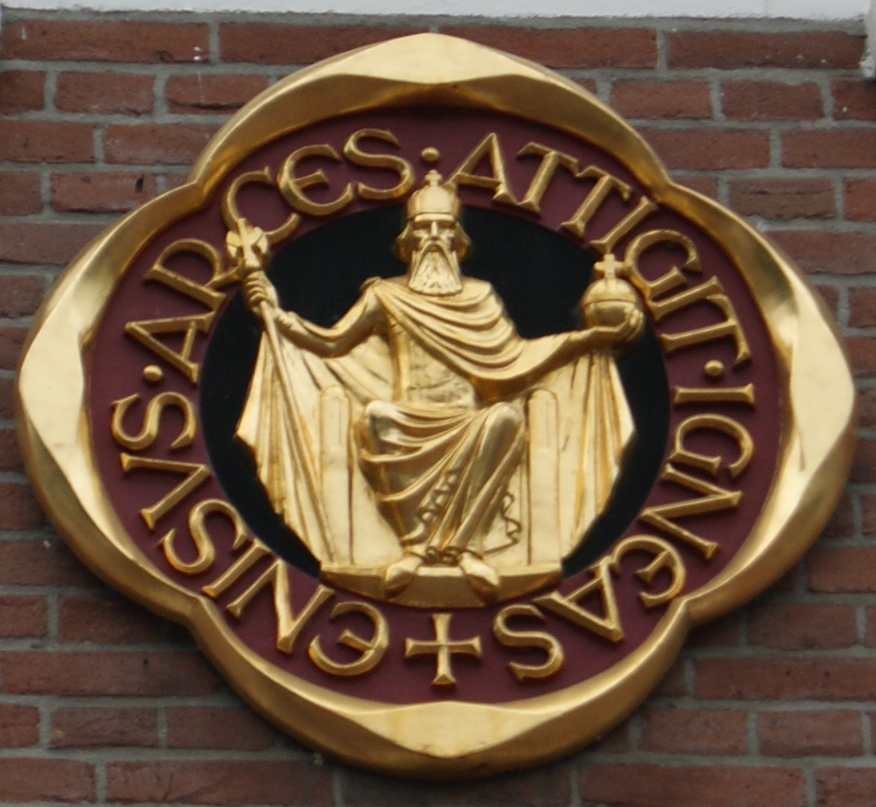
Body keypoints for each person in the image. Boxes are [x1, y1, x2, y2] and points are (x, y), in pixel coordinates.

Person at [238, 171, 643, 601]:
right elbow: (332, 343)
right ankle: (413, 548)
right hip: (407, 417)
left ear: (456, 240)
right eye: (424, 228)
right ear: (409, 240)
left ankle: (467, 549)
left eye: (443, 228)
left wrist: (590, 338)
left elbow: (513, 358)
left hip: (466, 418)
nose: (433, 236)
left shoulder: (480, 296)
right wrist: (274, 315)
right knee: (375, 418)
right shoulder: (386, 295)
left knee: (505, 420)